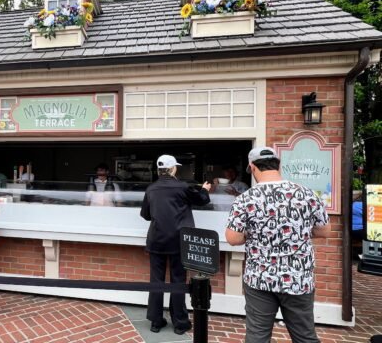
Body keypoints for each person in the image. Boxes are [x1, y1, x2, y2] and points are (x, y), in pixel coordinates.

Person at [225, 146, 331, 343]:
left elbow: (233, 238)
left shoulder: (245, 199)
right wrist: (296, 232)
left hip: (260, 277)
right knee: (305, 336)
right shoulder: (306, 193)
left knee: (257, 336)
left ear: (252, 167)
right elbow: (324, 231)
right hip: (298, 278)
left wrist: (255, 234)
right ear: (278, 165)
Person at [140, 154, 211, 335]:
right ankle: (180, 323)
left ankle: (156, 322)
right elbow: (202, 200)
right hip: (179, 241)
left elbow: (146, 215)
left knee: (156, 281)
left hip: (157, 240)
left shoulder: (151, 188)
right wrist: (204, 189)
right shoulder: (182, 187)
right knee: (178, 280)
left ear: (159, 169)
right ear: (173, 169)